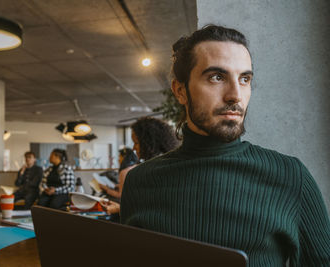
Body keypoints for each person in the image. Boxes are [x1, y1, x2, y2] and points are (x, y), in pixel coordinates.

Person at [120, 25, 330, 266]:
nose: (235, 95)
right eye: (217, 77)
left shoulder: (291, 176)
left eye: (244, 79)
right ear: (180, 91)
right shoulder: (140, 182)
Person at [101, 117, 179, 214]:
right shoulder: (170, 164)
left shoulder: (151, 171)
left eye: (136, 143)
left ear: (149, 143)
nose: (133, 148)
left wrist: (119, 209)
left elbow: (151, 209)